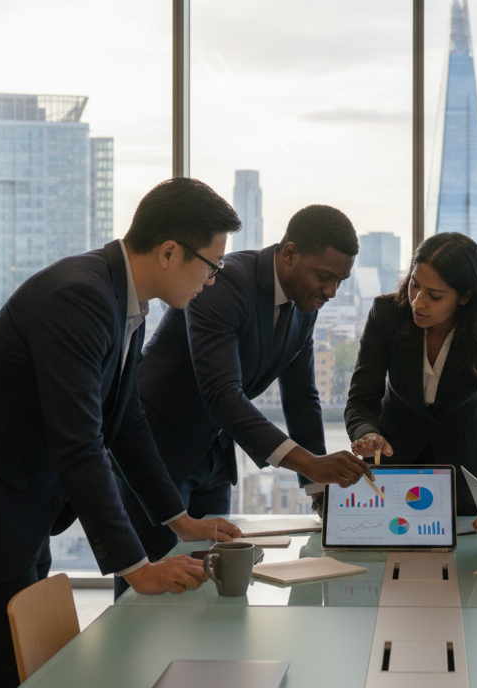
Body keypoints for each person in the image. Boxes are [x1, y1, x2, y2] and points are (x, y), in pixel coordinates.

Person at [0, 178, 247, 688]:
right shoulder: (81, 297)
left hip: (16, 507)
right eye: (212, 266)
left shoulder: (127, 304)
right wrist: (136, 567)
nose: (213, 281)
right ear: (169, 252)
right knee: (20, 675)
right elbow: (79, 442)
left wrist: (178, 518)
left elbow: (127, 425)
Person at [118, 204, 375, 595]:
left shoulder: (304, 305)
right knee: (152, 592)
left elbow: (302, 399)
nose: (330, 292)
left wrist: (319, 487)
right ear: (289, 253)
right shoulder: (225, 281)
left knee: (214, 583)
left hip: (214, 456)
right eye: (324, 277)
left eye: (340, 281)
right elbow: (223, 393)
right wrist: (309, 462)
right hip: (158, 449)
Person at [345, 232, 477, 536]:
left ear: (465, 296)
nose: (418, 302)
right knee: (391, 569)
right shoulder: (387, 313)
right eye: (414, 284)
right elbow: (362, 398)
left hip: (462, 473)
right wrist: (367, 432)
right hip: (394, 465)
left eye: (435, 295)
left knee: (463, 569)